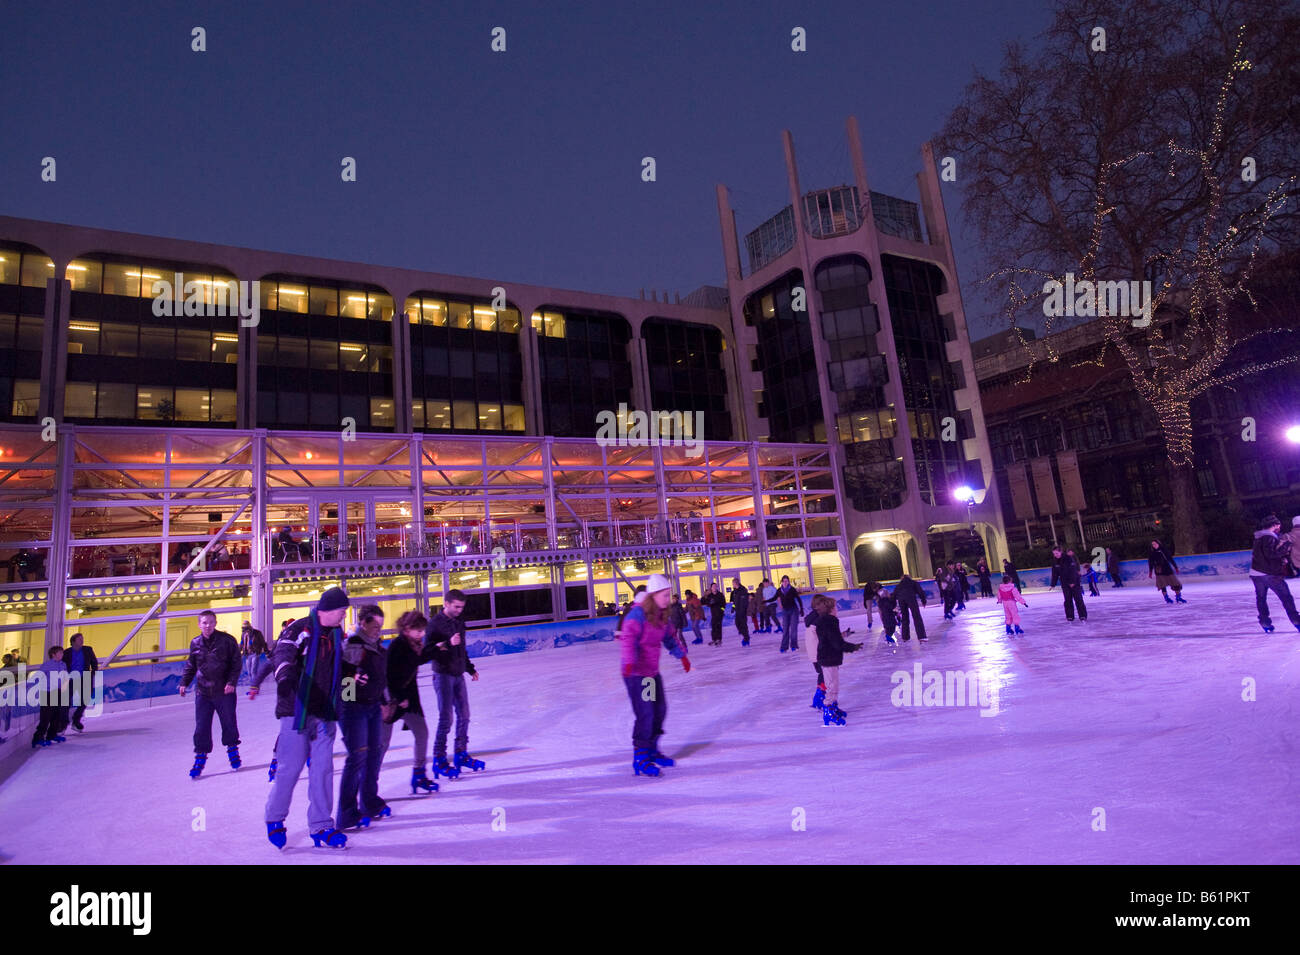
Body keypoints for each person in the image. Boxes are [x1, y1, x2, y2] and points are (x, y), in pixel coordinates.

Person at [265, 586, 351, 849]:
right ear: (329, 609)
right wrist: (285, 676)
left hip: (324, 713)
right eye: (342, 611)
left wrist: (350, 696)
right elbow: (282, 653)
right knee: (290, 769)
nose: (343, 616)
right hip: (296, 711)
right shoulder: (300, 629)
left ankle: (322, 825)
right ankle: (275, 818)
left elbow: (343, 670)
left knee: (323, 769)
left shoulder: (338, 636)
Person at [618, 574, 690, 776]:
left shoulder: (661, 617)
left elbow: (669, 638)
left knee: (659, 710)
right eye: (665, 595)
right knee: (646, 713)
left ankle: (652, 750)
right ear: (654, 595)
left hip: (650, 673)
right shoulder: (637, 616)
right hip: (637, 673)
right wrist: (630, 662)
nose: (668, 599)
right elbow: (628, 639)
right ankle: (640, 757)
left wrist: (681, 656)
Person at [337, 604, 392, 831]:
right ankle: (347, 814)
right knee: (357, 758)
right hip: (354, 709)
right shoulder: (353, 645)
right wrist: (351, 704)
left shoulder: (378, 648)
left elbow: (382, 679)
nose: (378, 629)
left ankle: (369, 802)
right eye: (374, 625)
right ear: (363, 623)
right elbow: (346, 681)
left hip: (372, 707)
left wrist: (385, 702)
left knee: (374, 755)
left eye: (381, 625)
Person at [426, 589, 485, 777]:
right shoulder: (434, 624)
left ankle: (460, 753)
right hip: (442, 675)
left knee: (464, 715)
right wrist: (448, 643)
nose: (460, 610)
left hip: (458, 674)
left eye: (462, 607)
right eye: (456, 607)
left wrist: (470, 668)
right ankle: (439, 758)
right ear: (446, 603)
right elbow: (427, 651)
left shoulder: (460, 622)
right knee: (446, 718)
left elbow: (462, 649)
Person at [179, 610, 242, 777]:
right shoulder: (195, 643)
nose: (208, 626)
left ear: (215, 623)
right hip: (203, 692)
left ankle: (232, 750)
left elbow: (236, 664)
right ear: (199, 624)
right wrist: (184, 682)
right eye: (204, 623)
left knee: (228, 722)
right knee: (201, 727)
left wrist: (231, 682)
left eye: (211, 622)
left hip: (224, 691)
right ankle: (200, 756)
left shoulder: (227, 641)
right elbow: (191, 665)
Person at [382, 610, 438, 794]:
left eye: (423, 631)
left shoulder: (415, 644)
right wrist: (398, 698)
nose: (422, 634)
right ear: (407, 629)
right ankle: (367, 784)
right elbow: (388, 676)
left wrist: (437, 648)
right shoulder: (397, 646)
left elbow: (419, 659)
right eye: (419, 631)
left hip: (410, 700)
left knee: (422, 734)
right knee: (382, 744)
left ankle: (419, 774)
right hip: (392, 701)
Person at [807, 595, 861, 726]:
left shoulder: (824, 620)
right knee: (829, 682)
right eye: (835, 607)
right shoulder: (823, 621)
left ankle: (831, 706)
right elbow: (829, 640)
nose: (837, 609)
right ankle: (826, 707)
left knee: (831, 682)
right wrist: (850, 647)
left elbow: (831, 636)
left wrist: (843, 636)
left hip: (826, 655)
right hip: (824, 655)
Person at [1249, 515, 1300, 634]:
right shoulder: (1269, 537)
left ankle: (1265, 622)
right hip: (1270, 574)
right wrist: (1287, 546)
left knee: (1261, 599)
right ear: (1275, 525)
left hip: (1256, 574)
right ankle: (1297, 621)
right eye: (1279, 525)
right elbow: (1271, 554)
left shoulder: (1259, 537)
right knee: (1286, 598)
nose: (1280, 528)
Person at [31, 646, 69, 748]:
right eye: (60, 653)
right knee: (46, 717)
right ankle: (37, 738)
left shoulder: (63, 664)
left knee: (56, 716)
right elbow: (38, 677)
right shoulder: (47, 665)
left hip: (58, 693)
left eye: (62, 653)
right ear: (53, 654)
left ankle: (51, 735)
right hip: (47, 693)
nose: (62, 655)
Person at [62, 632, 98, 733]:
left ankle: (76, 720)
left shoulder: (88, 649)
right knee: (65, 702)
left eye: (82, 639)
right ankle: (63, 724)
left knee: (85, 700)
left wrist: (93, 673)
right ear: (73, 642)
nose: (82, 641)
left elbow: (94, 662)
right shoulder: (66, 652)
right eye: (79, 639)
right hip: (70, 679)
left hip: (85, 678)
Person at [1049, 547, 1088, 623]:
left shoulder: (1069, 558)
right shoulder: (1055, 561)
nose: (1055, 555)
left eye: (1056, 553)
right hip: (1064, 583)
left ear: (1061, 552)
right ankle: (1070, 616)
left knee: (1078, 599)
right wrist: (1053, 584)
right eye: (1054, 554)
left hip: (1074, 582)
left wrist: (1072, 582)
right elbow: (1055, 574)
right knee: (1067, 600)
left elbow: (1073, 571)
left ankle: (1083, 615)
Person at [893, 574, 928, 642]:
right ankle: (922, 636)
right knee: (916, 617)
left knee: (905, 618)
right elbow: (920, 591)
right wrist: (923, 600)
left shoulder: (899, 585)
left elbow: (894, 595)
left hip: (901, 600)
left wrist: (893, 606)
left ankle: (905, 637)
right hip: (911, 598)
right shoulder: (913, 582)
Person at [776, 575, 803, 652]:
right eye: (784, 581)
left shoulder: (792, 589)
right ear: (781, 582)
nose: (785, 582)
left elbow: (798, 599)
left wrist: (801, 609)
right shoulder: (779, 590)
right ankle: (784, 647)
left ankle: (794, 645)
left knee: (793, 629)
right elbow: (777, 598)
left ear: (788, 582)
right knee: (785, 629)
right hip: (785, 611)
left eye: (786, 581)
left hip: (793, 610)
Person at [704, 582, 726, 647]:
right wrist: (710, 603)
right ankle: (714, 639)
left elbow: (724, 604)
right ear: (711, 588)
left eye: (715, 586)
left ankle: (719, 639)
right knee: (713, 626)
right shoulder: (710, 596)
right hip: (713, 613)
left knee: (719, 626)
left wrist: (721, 610)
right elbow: (707, 603)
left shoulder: (720, 595)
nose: (714, 587)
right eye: (713, 586)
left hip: (720, 614)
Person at [731, 578, 751, 646]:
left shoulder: (743, 590)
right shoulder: (735, 591)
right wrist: (733, 607)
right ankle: (745, 636)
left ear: (736, 583)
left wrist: (742, 610)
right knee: (737, 624)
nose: (732, 585)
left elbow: (744, 602)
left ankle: (746, 638)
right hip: (738, 611)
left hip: (742, 611)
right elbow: (734, 601)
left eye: (733, 583)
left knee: (743, 625)